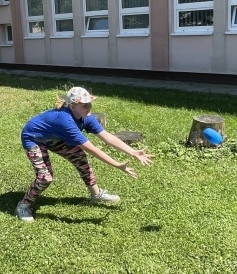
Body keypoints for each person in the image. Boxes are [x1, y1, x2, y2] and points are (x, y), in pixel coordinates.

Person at [16, 87, 154, 222]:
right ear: (72, 106)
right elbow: (92, 149)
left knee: (79, 157)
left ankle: (96, 195)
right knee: (45, 178)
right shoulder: (65, 121)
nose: (88, 107)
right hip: (34, 138)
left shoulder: (86, 117)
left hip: (55, 137)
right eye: (84, 104)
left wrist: (133, 152)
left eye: (89, 103)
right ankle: (23, 205)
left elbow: (108, 137)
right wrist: (117, 165)